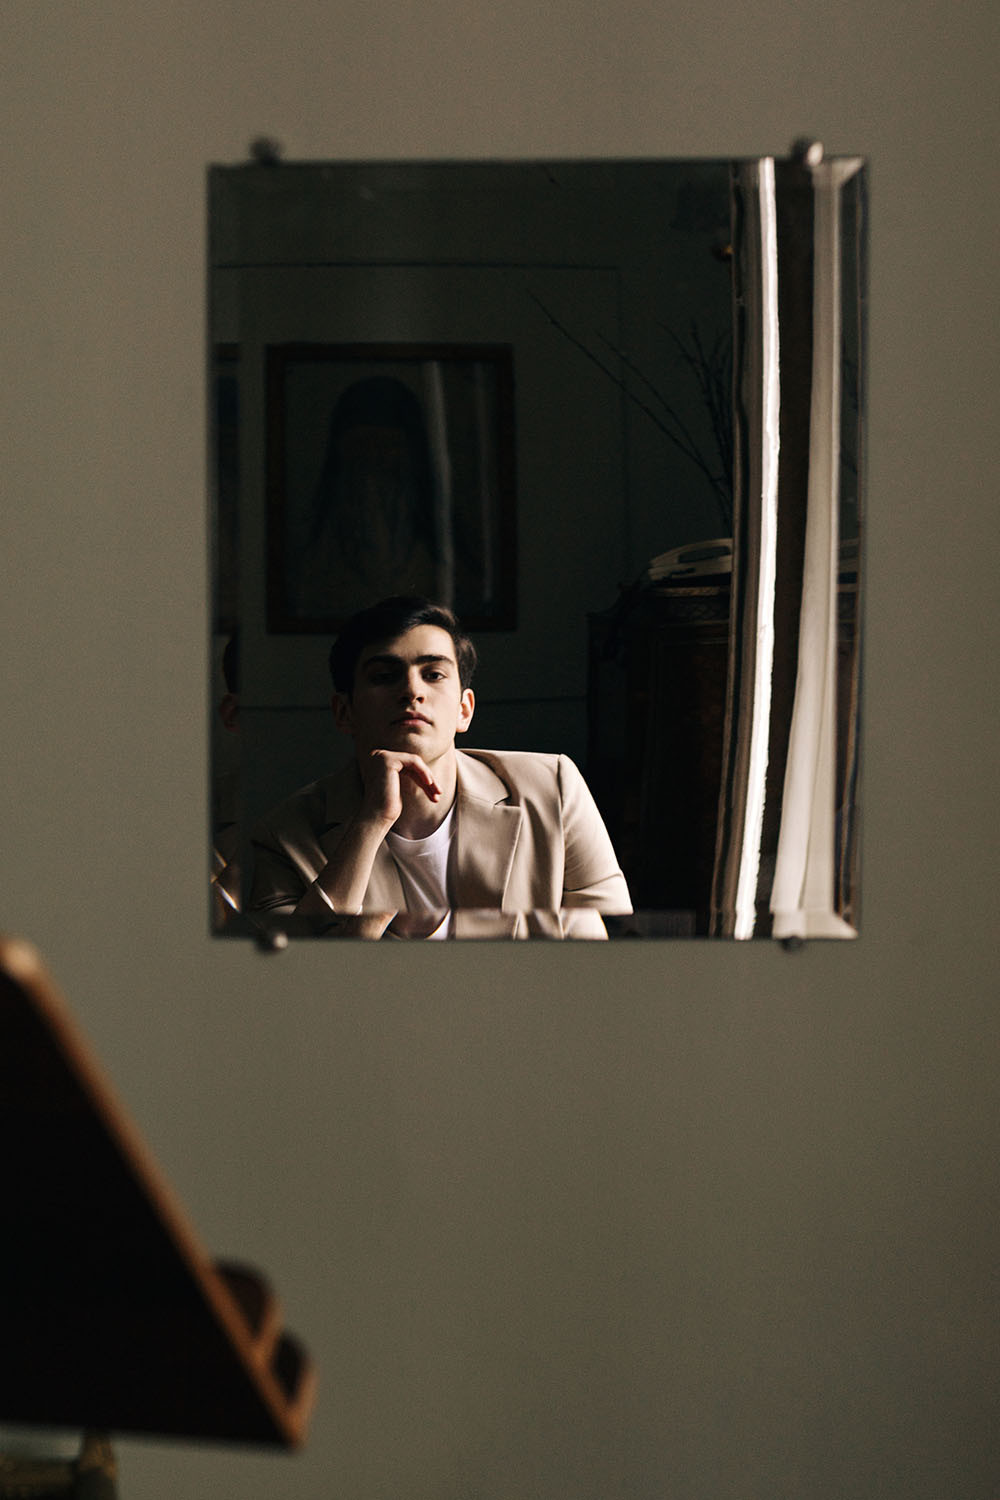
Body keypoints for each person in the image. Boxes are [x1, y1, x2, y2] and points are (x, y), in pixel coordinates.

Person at [248, 596, 631, 938]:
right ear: (344, 712)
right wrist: (370, 823)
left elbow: (613, 946)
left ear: (464, 709)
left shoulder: (552, 787)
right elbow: (294, 975)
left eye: (433, 674)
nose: (412, 691)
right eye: (384, 677)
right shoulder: (283, 835)